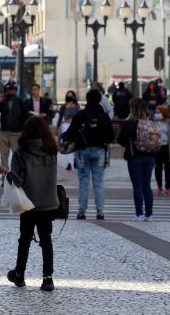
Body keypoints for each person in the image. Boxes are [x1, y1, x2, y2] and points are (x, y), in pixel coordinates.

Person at [0, 116, 59, 291]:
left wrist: (5, 172)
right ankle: (48, 279)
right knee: (46, 240)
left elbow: (17, 180)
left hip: (29, 204)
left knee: (24, 239)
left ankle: (20, 275)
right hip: (48, 203)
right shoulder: (51, 151)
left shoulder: (21, 153)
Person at [69, 89, 115, 220]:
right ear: (100, 100)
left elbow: (71, 133)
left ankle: (81, 211)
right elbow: (111, 136)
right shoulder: (104, 116)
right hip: (100, 151)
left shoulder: (80, 115)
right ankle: (100, 211)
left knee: (83, 181)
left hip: (82, 151)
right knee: (98, 182)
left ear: (87, 99)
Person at [116, 98, 156, 221]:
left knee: (137, 186)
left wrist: (130, 143)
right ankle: (149, 214)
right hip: (150, 157)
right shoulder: (150, 121)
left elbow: (120, 140)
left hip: (135, 157)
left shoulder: (130, 123)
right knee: (147, 186)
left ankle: (139, 214)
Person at [0, 82, 28, 173]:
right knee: (3, 155)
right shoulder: (2, 102)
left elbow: (26, 116)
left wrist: (23, 131)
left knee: (17, 155)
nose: (8, 92)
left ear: (14, 90)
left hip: (16, 133)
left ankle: (17, 174)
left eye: (10, 90)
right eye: (6, 91)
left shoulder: (20, 101)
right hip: (4, 132)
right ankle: (4, 176)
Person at [56, 91, 80, 170]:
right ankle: (69, 163)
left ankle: (75, 159)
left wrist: (73, 120)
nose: (69, 97)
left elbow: (79, 116)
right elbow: (60, 117)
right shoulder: (63, 106)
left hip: (74, 126)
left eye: (71, 95)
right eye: (68, 95)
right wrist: (58, 127)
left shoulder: (76, 106)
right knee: (66, 144)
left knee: (74, 144)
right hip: (65, 126)